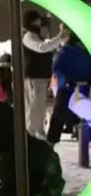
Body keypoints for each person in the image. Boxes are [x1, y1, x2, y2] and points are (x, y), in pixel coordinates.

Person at [21, 10, 68, 140]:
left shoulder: (35, 36)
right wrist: (58, 38)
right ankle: (30, 135)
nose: (40, 22)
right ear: (32, 21)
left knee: (40, 108)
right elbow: (41, 48)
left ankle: (38, 133)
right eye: (38, 19)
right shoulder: (28, 36)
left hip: (40, 77)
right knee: (33, 109)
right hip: (33, 78)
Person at [48, 35, 91, 144]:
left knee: (59, 115)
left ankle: (51, 142)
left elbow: (56, 70)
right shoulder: (71, 52)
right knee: (60, 114)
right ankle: (51, 142)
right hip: (74, 90)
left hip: (70, 90)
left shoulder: (65, 52)